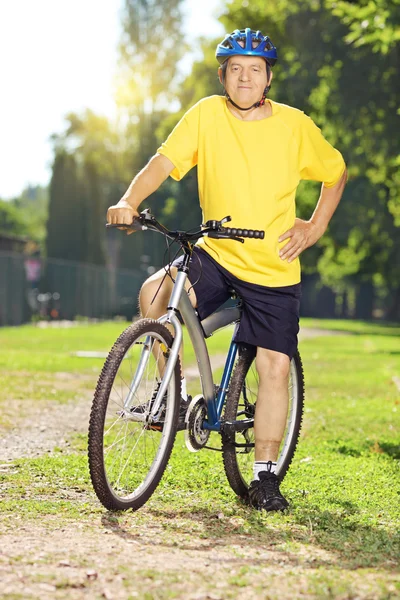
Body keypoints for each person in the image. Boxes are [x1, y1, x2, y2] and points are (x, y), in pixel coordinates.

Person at [107, 28, 347, 512]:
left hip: (274, 265)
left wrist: (315, 226)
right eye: (235, 69)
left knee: (275, 366)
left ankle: (263, 477)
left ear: (268, 78)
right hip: (215, 252)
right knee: (155, 295)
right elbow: (162, 161)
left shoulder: (294, 125)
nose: (244, 77)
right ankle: (170, 393)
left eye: (254, 69)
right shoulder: (206, 115)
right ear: (223, 76)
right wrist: (130, 199)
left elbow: (335, 171)